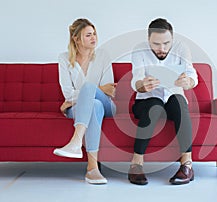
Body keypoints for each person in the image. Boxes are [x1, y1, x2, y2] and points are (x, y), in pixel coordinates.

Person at [128, 18, 198, 185]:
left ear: (172, 39)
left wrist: (189, 82)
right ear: (148, 40)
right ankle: (136, 164)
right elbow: (136, 79)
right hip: (147, 101)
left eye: (166, 43)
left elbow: (192, 74)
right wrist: (142, 85)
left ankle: (187, 165)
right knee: (155, 106)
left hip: (172, 100)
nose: (162, 49)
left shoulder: (182, 49)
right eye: (156, 44)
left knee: (179, 101)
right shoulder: (139, 50)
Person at [53, 18, 116, 185]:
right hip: (82, 107)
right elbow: (67, 93)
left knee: (90, 90)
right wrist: (92, 92)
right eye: (88, 35)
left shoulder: (103, 56)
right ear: (76, 38)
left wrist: (90, 91)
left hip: (107, 104)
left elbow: (110, 90)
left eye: (94, 34)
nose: (94, 38)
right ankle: (92, 169)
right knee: (93, 105)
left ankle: (75, 141)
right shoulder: (64, 59)